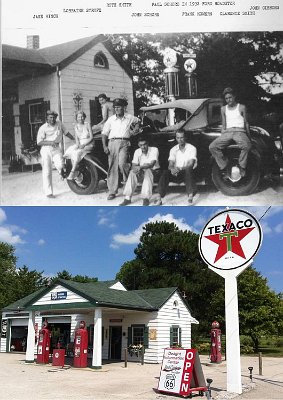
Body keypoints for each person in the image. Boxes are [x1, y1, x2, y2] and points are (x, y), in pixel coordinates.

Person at [101, 98, 140, 200]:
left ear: (124, 108)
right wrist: (104, 146)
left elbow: (138, 121)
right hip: (112, 143)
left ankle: (128, 186)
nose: (117, 109)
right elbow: (104, 134)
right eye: (115, 107)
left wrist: (136, 128)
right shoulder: (111, 119)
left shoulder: (129, 117)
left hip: (124, 143)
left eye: (119, 107)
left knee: (123, 164)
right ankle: (112, 191)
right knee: (112, 166)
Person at [209, 87, 251, 178]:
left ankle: (242, 166)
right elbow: (224, 124)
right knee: (212, 146)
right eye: (227, 98)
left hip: (239, 131)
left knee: (247, 146)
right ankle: (225, 165)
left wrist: (248, 136)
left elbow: (246, 123)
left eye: (230, 97)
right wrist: (222, 135)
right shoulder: (223, 109)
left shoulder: (242, 107)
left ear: (234, 96)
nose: (229, 100)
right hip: (228, 132)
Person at [37, 110, 73, 198]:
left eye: (54, 117)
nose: (52, 119)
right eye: (50, 117)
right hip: (46, 149)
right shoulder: (43, 128)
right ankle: (48, 192)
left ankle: (61, 172)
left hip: (56, 148)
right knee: (47, 171)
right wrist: (50, 143)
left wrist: (75, 139)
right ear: (47, 118)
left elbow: (66, 133)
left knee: (60, 164)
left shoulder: (59, 124)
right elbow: (39, 142)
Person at [156, 130, 197, 205]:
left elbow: (190, 164)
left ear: (185, 138)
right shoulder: (173, 149)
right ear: (176, 138)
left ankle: (190, 197)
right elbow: (170, 164)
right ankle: (159, 197)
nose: (180, 140)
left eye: (182, 137)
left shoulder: (192, 148)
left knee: (188, 170)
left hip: (188, 173)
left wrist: (179, 168)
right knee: (166, 172)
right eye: (178, 138)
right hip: (177, 173)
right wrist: (172, 169)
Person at [119, 136, 160, 206]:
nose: (143, 147)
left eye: (145, 144)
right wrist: (136, 169)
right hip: (142, 172)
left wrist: (140, 167)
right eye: (141, 145)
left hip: (154, 172)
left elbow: (151, 164)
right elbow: (134, 165)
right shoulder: (137, 151)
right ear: (138, 145)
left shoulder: (154, 149)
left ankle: (146, 198)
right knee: (132, 172)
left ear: (148, 144)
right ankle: (127, 198)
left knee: (148, 171)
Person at [64, 111, 94, 180]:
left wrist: (84, 145)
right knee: (71, 151)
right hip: (81, 144)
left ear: (84, 117)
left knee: (77, 153)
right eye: (79, 117)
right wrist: (77, 146)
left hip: (88, 144)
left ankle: (72, 172)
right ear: (76, 118)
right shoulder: (76, 127)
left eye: (82, 116)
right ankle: (76, 171)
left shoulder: (87, 124)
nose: (81, 118)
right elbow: (77, 140)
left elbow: (91, 138)